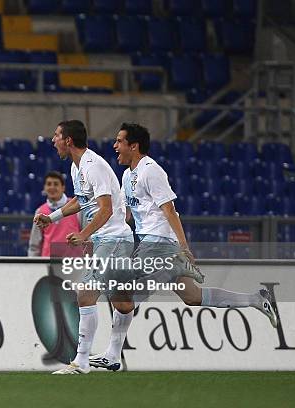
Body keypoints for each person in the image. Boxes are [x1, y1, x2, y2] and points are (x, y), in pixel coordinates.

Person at [89, 123, 277, 371]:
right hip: (148, 242)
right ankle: (256, 299)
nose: (115, 146)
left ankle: (112, 355)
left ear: (133, 146)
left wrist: (184, 246)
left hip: (158, 245)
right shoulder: (127, 175)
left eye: (119, 141)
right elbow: (130, 215)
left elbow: (169, 210)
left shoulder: (151, 171)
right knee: (192, 297)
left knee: (122, 293)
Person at [34, 120, 135, 374]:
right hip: (112, 239)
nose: (53, 140)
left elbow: (107, 208)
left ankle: (81, 361)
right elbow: (81, 202)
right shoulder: (75, 167)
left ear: (68, 140)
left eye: (56, 135)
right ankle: (112, 355)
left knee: (85, 294)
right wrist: (53, 217)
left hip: (112, 238)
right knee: (122, 302)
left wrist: (83, 234)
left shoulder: (93, 166)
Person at [27, 171, 81, 257]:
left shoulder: (76, 207)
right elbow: (34, 244)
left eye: (56, 184)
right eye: (49, 184)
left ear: (63, 187)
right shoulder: (40, 211)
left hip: (72, 263)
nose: (52, 187)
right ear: (44, 188)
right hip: (48, 263)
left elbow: (86, 235)